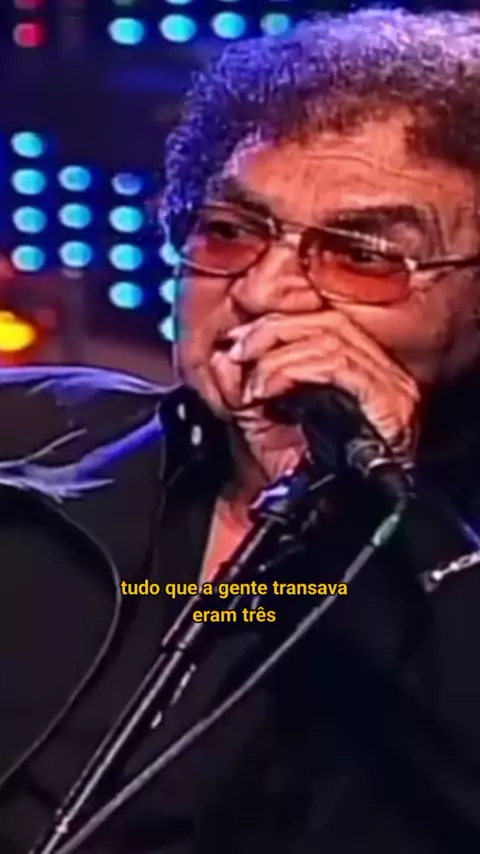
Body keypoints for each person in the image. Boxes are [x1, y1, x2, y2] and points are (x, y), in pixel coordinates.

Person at [3, 6, 480, 852]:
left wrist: (393, 521)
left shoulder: (450, 568)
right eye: (229, 233)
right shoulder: (20, 438)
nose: (260, 293)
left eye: (362, 256)